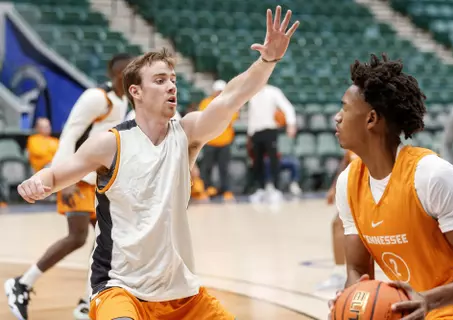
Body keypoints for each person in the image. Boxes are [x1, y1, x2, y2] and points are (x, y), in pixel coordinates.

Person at [15, 6, 299, 320]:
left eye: (173, 79)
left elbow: (232, 96)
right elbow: (57, 174)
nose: (172, 86)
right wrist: (39, 181)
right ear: (135, 91)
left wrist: (267, 60)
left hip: (183, 294)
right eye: (161, 80)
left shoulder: (188, 133)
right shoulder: (110, 143)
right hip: (119, 289)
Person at [329, 53, 453, 319]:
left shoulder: (431, 176)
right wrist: (350, 305)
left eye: (344, 108)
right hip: (414, 311)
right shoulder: (348, 183)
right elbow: (357, 269)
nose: (337, 118)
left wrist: (429, 300)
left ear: (371, 119)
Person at [4, 53, 133, 320]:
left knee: (106, 241)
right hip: (76, 178)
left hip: (95, 180)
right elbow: (70, 134)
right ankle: (22, 284)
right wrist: (63, 180)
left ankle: (87, 302)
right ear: (121, 74)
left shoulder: (122, 101)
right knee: (79, 237)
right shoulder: (98, 98)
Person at [247, 84, 297, 203]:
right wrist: (249, 134)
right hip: (255, 132)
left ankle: (276, 189)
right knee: (257, 162)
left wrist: (291, 123)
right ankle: (260, 189)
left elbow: (287, 107)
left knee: (274, 160)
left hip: (270, 131)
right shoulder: (251, 94)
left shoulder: (273, 92)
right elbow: (251, 115)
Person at [315, 150, 357, 291]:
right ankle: (340, 274)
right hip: (356, 192)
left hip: (372, 192)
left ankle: (343, 275)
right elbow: (344, 166)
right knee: (338, 224)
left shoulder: (374, 142)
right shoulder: (352, 149)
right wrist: (333, 188)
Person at [198, 79, 237, 201]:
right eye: (218, 91)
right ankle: (206, 188)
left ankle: (226, 190)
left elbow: (232, 117)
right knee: (207, 167)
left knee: (224, 168)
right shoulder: (206, 102)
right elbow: (204, 117)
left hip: (225, 141)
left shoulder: (230, 103)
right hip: (209, 141)